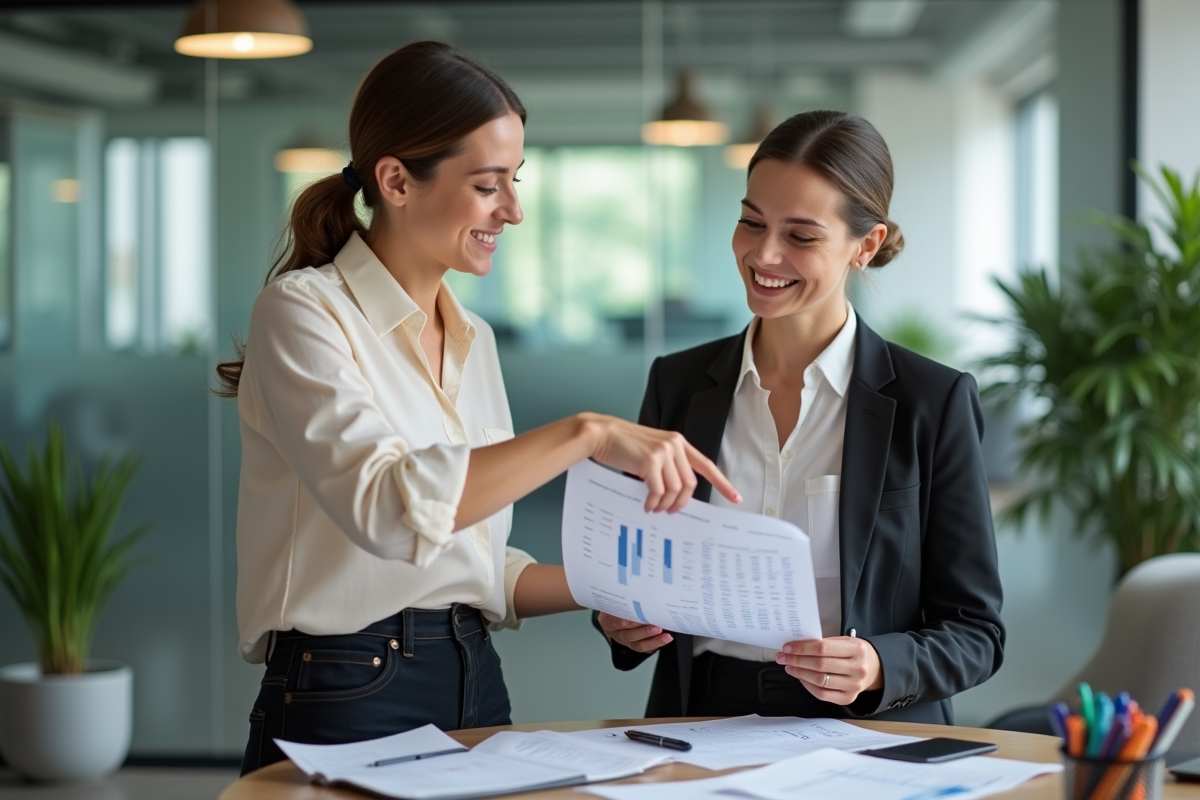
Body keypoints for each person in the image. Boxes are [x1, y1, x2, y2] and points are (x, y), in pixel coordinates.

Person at [220, 41, 739, 776]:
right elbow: (392, 511)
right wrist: (585, 433)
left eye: (515, 181)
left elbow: (477, 567)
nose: (516, 210)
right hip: (347, 688)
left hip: (474, 676)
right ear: (396, 180)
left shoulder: (474, 338)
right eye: (490, 184)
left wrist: (631, 588)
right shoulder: (303, 313)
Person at [596, 110, 1004, 724]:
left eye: (801, 236)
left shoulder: (932, 401)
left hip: (864, 732)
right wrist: (618, 617)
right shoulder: (677, 385)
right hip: (701, 717)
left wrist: (878, 663)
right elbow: (630, 568)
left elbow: (977, 632)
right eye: (751, 222)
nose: (763, 254)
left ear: (864, 246)